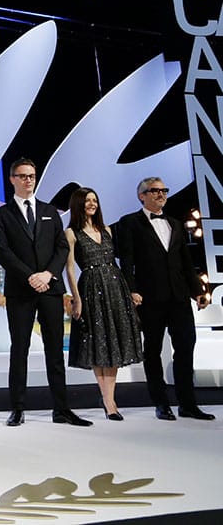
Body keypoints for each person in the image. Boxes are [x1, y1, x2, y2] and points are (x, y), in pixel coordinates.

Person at [0, 158, 91, 427]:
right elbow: (3, 251)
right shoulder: (2, 214)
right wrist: (30, 276)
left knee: (55, 350)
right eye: (22, 176)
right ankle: (18, 409)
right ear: (12, 179)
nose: (28, 180)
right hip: (20, 291)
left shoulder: (49, 211)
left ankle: (61, 409)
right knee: (19, 349)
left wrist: (48, 274)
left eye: (31, 176)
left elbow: (61, 248)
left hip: (50, 288)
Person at [116, 177, 214, 421]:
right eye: (154, 191)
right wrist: (131, 289)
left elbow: (186, 262)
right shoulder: (130, 223)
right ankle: (161, 403)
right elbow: (126, 260)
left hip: (179, 296)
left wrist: (198, 292)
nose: (160, 194)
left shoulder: (175, 223)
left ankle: (187, 404)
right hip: (150, 298)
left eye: (163, 190)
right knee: (153, 350)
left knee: (185, 347)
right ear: (142, 196)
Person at [63, 187, 143, 421]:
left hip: (116, 286)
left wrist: (129, 291)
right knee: (99, 341)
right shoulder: (71, 232)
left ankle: (110, 397)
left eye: (95, 200)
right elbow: (69, 268)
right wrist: (75, 297)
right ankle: (108, 401)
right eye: (87, 200)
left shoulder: (106, 229)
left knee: (114, 342)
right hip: (90, 287)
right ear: (78, 204)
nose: (92, 204)